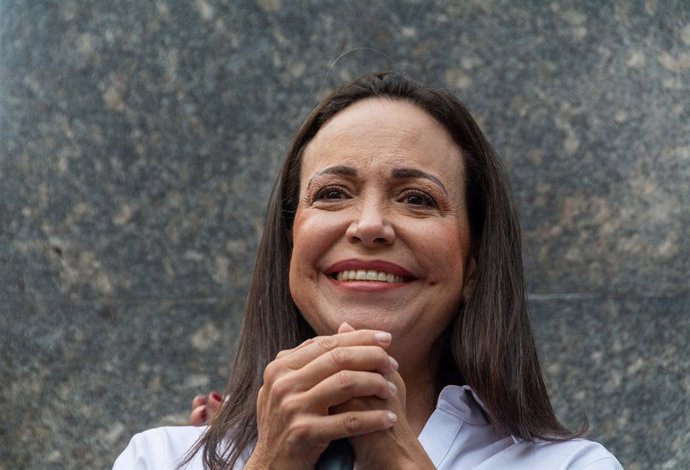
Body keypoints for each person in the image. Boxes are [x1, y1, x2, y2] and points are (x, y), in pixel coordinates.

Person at [114, 71, 622, 469]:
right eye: (333, 193)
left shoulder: (570, 465)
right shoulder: (158, 459)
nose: (370, 225)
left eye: (418, 199)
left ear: (474, 266)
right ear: (291, 243)